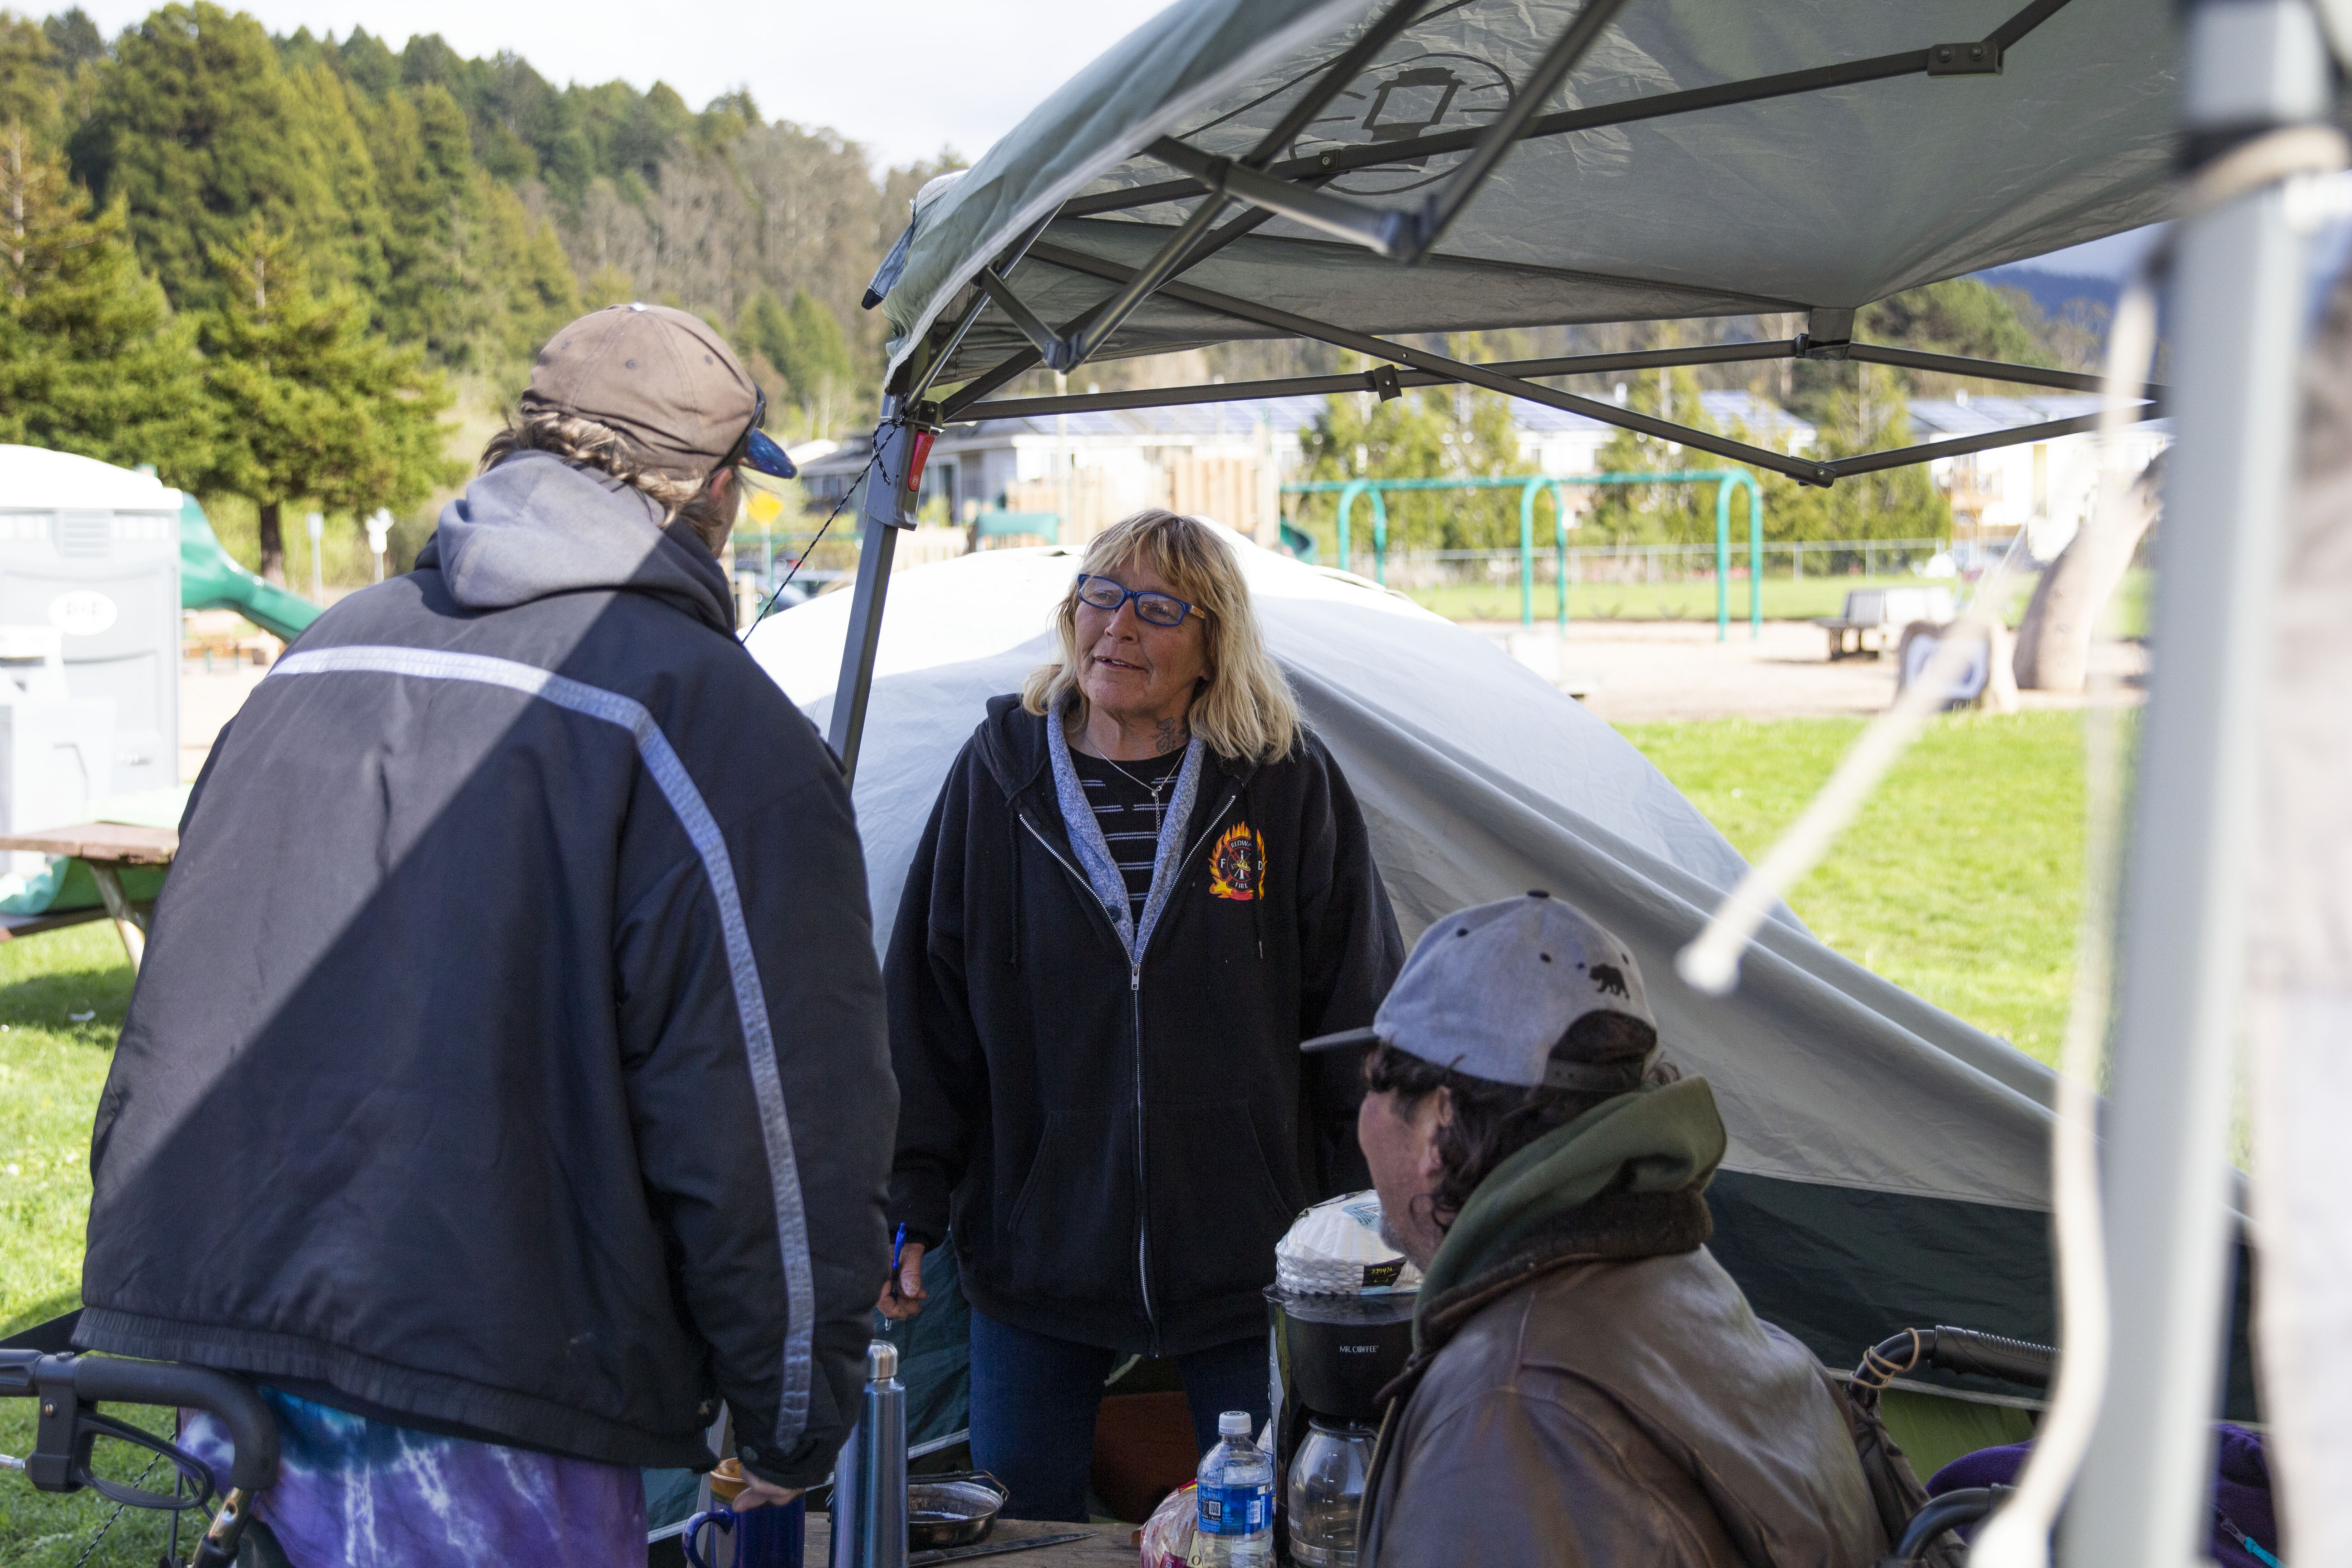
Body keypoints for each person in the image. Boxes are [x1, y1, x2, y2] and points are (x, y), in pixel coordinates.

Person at [78, 303, 896, 1567]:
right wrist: (795, 1416)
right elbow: (775, 1125)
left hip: (231, 1366)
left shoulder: (320, 651)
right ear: (715, 491)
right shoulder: (710, 722)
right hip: (500, 1405)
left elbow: (179, 995)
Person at [879, 509, 1404, 1520]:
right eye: (1101, 596)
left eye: (1160, 608)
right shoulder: (999, 781)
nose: (1118, 627)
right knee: (1024, 1534)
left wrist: (1367, 1218)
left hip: (1251, 1255)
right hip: (1038, 1248)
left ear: (1215, 644)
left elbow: (1356, 1012)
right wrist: (909, 1199)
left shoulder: (1286, 785)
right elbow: (928, 1007)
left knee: (1266, 1529)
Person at [1316, 892, 1886, 1568]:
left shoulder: (1508, 1401)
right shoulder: (1699, 1293)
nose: (1363, 1116)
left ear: (1439, 1125)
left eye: (1377, 1084)